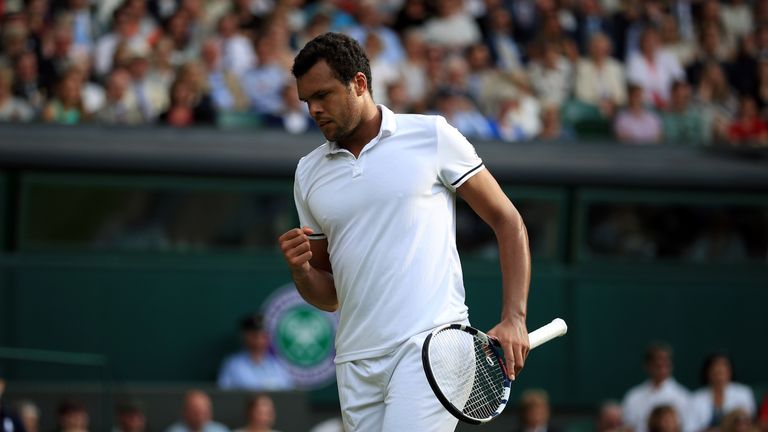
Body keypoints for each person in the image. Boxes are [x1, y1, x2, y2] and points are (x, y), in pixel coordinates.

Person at [278, 32, 531, 432]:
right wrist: (301, 272)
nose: (314, 110)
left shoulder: (432, 136)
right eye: (307, 101)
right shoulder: (307, 173)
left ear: (359, 83)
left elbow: (507, 220)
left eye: (323, 95)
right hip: (355, 364)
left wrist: (514, 317)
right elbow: (330, 296)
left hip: (432, 349)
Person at [621, 343, 692, 432]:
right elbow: (627, 427)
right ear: (647, 365)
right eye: (656, 363)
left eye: (665, 362)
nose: (661, 366)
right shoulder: (633, 397)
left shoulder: (683, 397)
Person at [217, 314, 294, 391]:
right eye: (254, 335)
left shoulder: (278, 365)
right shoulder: (233, 364)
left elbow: (288, 392)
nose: (260, 339)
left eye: (264, 335)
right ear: (244, 336)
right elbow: (223, 393)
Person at [689, 353, 756, 432]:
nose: (719, 376)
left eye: (723, 372)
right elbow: (689, 428)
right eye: (716, 372)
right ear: (708, 373)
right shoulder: (696, 398)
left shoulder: (744, 393)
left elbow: (748, 424)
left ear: (730, 372)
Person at [165, 390, 229, 432]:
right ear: (185, 412)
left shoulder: (220, 429)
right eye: (196, 412)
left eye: (204, 411)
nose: (201, 416)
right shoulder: (174, 431)